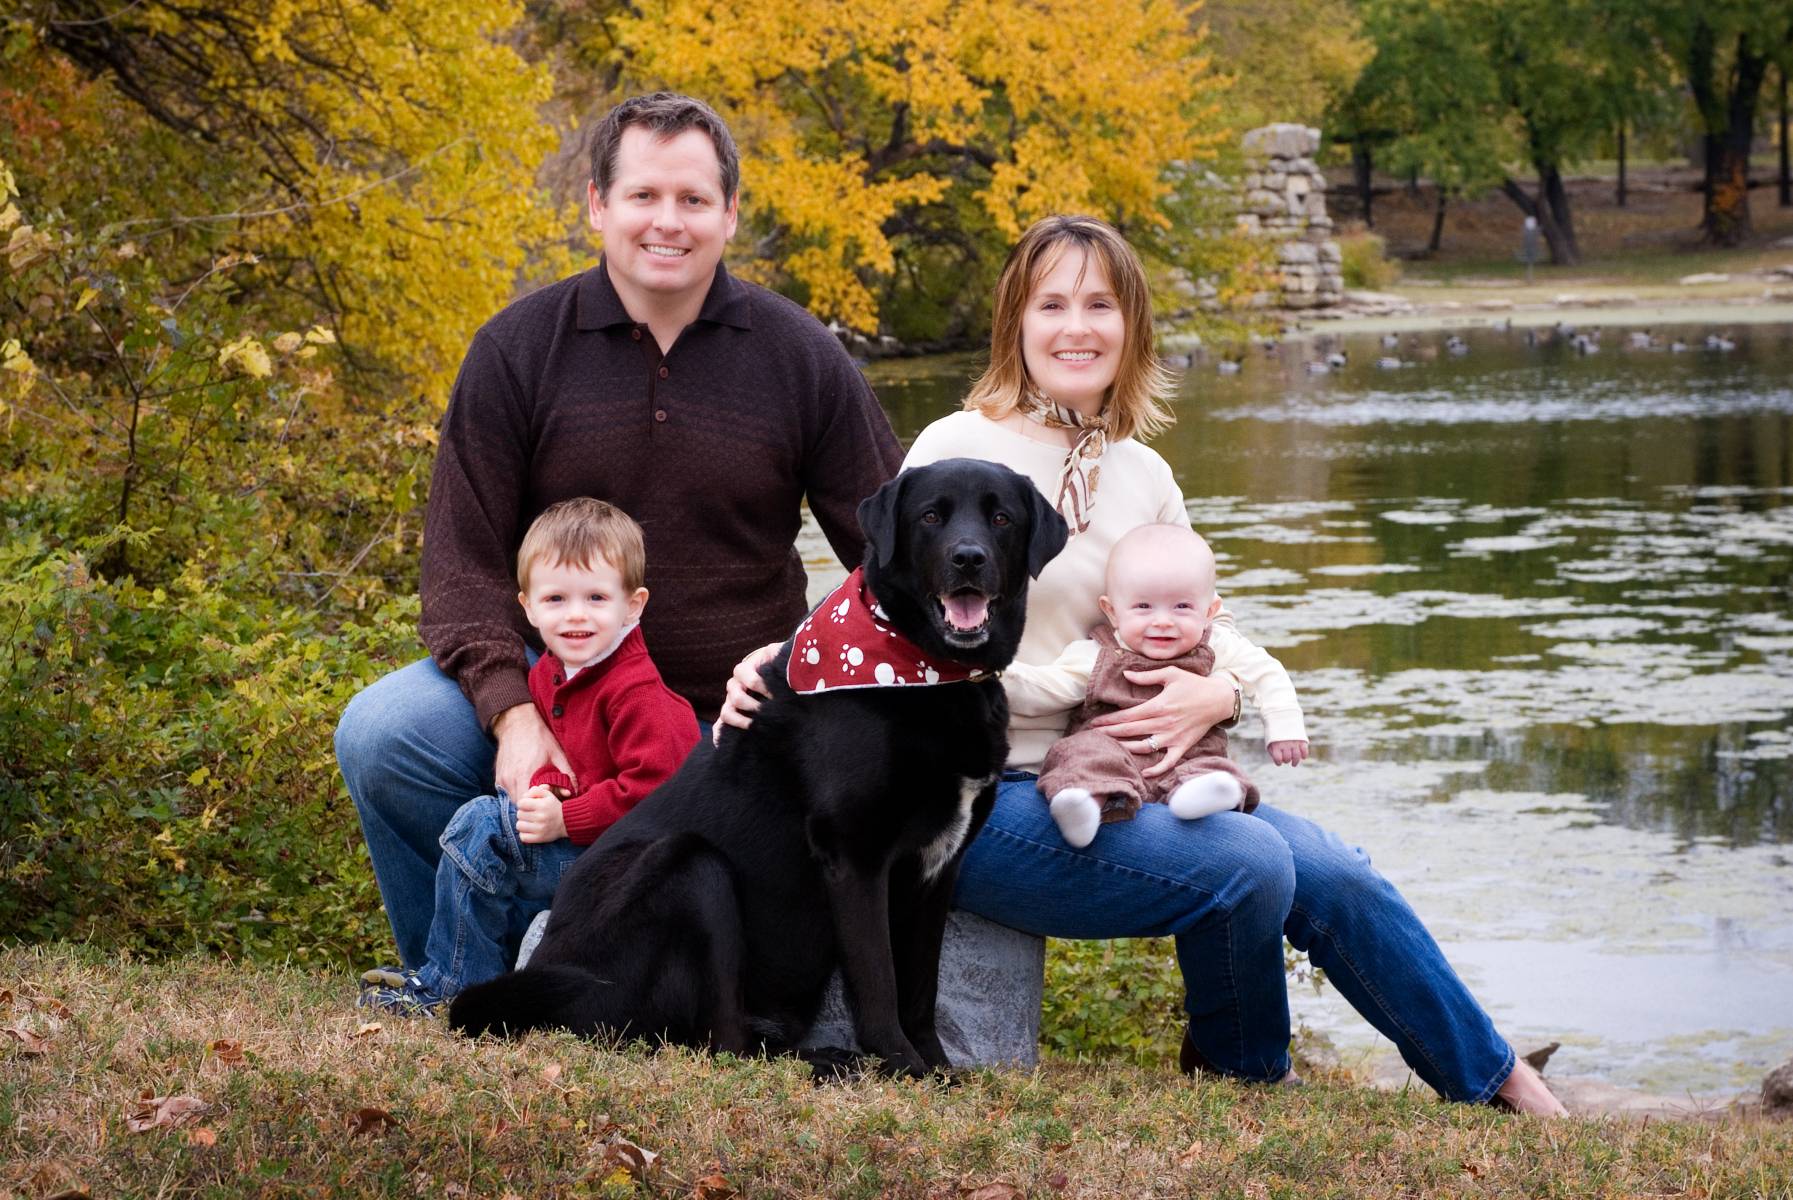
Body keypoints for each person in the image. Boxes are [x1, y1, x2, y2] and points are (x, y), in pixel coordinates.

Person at [720, 214, 1565, 1115]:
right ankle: (1247, 1078)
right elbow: (873, 611)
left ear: (1131, 326)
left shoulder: (1145, 473)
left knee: (1333, 871)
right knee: (1246, 859)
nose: (1075, 327)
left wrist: (1224, 691)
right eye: (1051, 304)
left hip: (1131, 772)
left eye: (1099, 304)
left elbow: (1201, 623)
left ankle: (1497, 1080)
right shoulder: (954, 449)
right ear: (1016, 322)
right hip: (981, 792)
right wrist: (777, 664)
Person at [334, 92, 903, 986]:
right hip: (559, 702)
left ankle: (588, 930)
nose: (666, 223)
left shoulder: (799, 357)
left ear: (730, 213)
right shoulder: (518, 349)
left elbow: (891, 553)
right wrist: (511, 713)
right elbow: (460, 565)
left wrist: (800, 662)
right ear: (597, 205)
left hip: (733, 718)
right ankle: (458, 977)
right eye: (642, 197)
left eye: (692, 199)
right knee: (385, 732)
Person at [361, 499, 698, 1014]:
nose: (576, 614)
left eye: (596, 597)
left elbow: (656, 797)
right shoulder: (551, 673)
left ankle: (452, 983)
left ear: (633, 605)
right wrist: (549, 785)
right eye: (557, 598)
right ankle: (483, 969)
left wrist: (567, 816)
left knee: (484, 830)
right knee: (491, 818)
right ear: (528, 606)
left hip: (635, 870)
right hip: (594, 848)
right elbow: (569, 760)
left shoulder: (638, 694)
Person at [1037, 523, 1308, 848]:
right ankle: (1084, 805)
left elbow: (1265, 673)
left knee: (1215, 765)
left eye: (1182, 607)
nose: (1163, 621)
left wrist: (1284, 726)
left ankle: (1203, 794)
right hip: (1112, 748)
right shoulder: (1095, 653)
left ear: (1210, 612)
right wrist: (994, 677)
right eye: (1143, 607)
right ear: (1111, 611)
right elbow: (1051, 686)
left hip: (1189, 754)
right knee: (1081, 753)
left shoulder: (1218, 643)